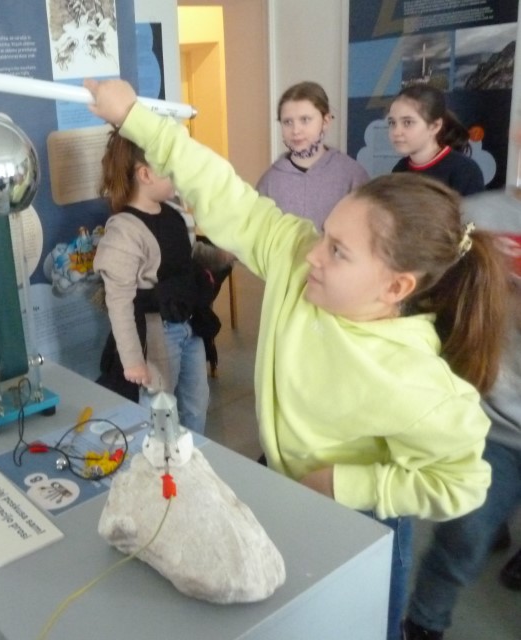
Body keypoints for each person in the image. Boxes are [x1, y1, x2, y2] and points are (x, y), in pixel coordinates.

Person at [83, 77, 509, 640]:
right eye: (324, 235)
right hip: (287, 485)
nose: (313, 253)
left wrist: (345, 484)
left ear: (395, 286)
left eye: (338, 250)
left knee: (359, 623)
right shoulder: (296, 258)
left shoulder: (417, 382)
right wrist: (136, 117)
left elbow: (463, 482)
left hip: (359, 517)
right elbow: (225, 191)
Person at [402, 170, 521, 639]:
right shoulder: (477, 216)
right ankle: (424, 624)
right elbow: (424, 298)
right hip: (492, 419)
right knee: (463, 534)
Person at [92, 128, 229, 434]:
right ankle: (160, 463)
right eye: (172, 170)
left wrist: (223, 255)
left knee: (196, 404)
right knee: (160, 412)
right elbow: (119, 303)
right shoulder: (124, 232)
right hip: (158, 334)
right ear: (145, 174)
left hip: (190, 327)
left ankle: (190, 456)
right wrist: (132, 361)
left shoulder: (175, 214)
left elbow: (188, 256)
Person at [256, 81, 369, 229]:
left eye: (305, 120)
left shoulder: (353, 175)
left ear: (325, 121)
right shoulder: (269, 181)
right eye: (288, 122)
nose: (296, 130)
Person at [387, 84, 484, 196]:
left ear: (434, 126)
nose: (396, 132)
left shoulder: (464, 170)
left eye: (408, 122)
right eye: (392, 123)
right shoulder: (399, 169)